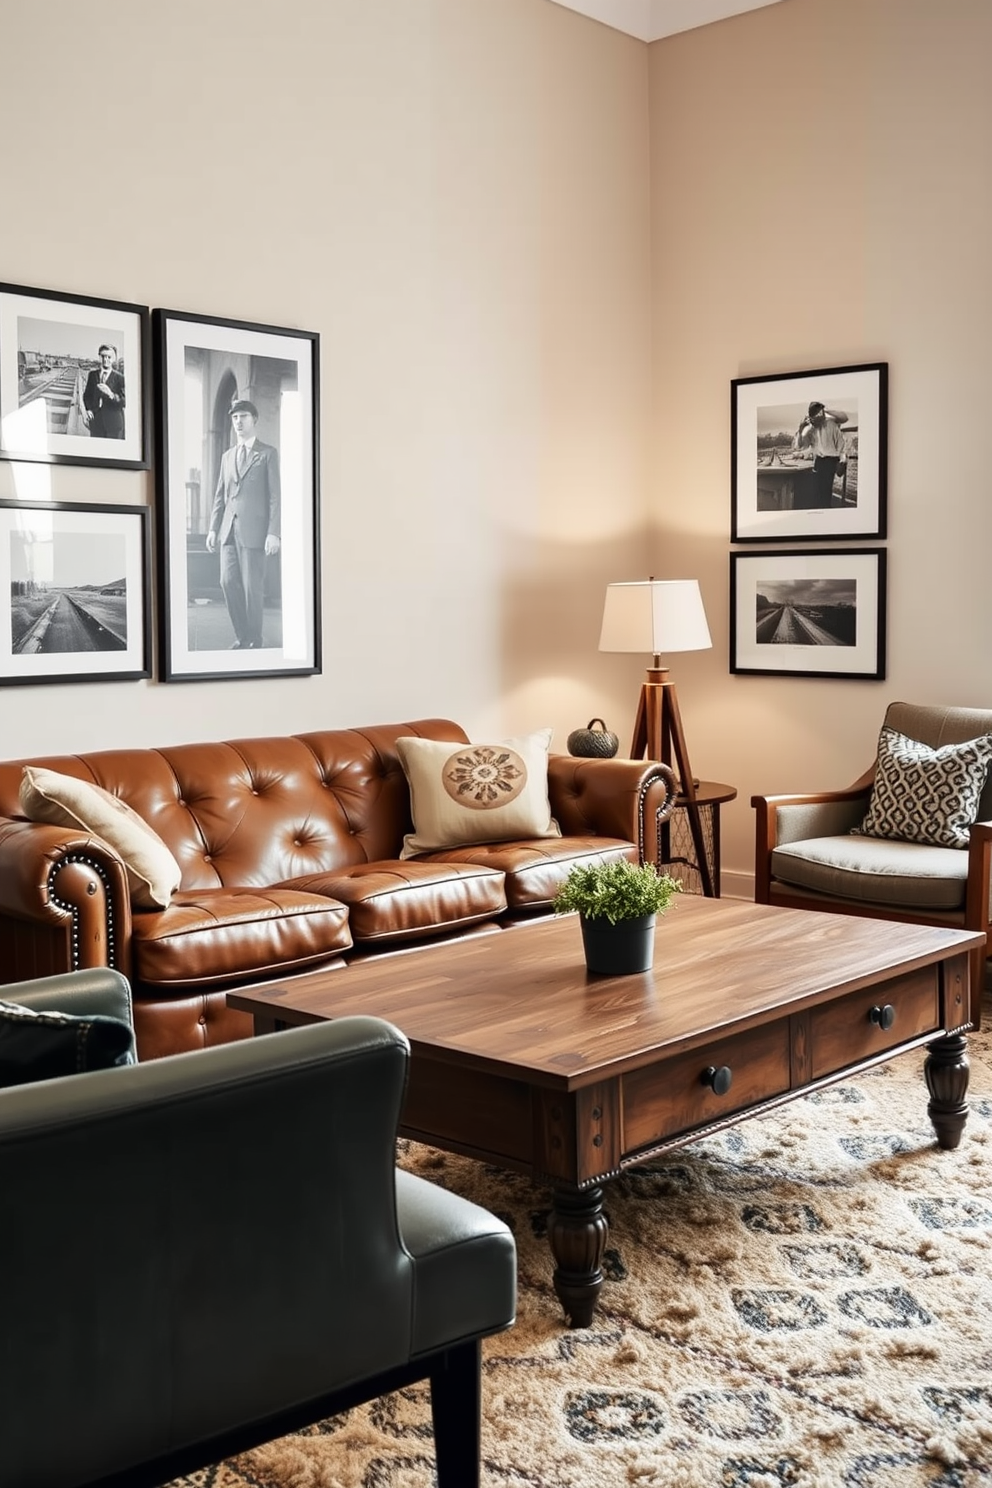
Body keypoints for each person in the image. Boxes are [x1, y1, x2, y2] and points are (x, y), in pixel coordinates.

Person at [206, 398, 281, 649]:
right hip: (228, 531)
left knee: (252, 589)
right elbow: (220, 496)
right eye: (235, 417)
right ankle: (243, 635)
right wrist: (213, 528)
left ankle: (254, 640)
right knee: (227, 581)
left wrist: (274, 533)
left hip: (255, 532)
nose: (238, 422)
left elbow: (275, 497)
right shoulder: (227, 457)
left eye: (243, 417)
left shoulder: (268, 453)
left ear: (254, 420)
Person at [792, 401, 849, 508]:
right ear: (811, 417)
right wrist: (800, 430)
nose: (819, 417)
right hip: (818, 461)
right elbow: (800, 446)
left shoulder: (831, 424)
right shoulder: (810, 429)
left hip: (831, 461)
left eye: (821, 413)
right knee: (816, 491)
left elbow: (842, 445)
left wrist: (843, 460)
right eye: (816, 415)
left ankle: (826, 511)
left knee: (826, 491)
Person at [81, 343, 126, 439]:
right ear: (99, 357)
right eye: (103, 356)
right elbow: (87, 396)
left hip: (114, 426)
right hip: (96, 424)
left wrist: (111, 394)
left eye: (109, 357)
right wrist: (88, 409)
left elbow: (124, 401)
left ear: (113, 359)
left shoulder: (120, 378)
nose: (106, 360)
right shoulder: (92, 375)